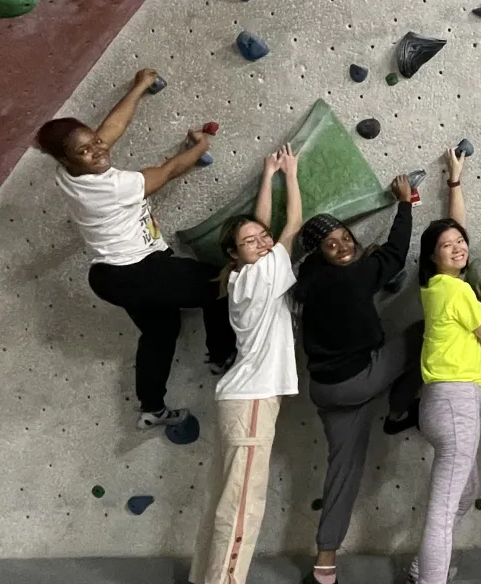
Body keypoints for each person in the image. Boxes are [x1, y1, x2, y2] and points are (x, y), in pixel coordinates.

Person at [36, 67, 235, 430]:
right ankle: (221, 356)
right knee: (219, 283)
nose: (97, 150)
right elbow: (170, 170)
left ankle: (152, 408)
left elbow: (108, 132)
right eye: (85, 150)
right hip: (136, 269)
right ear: (67, 160)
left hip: (109, 276)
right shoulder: (113, 187)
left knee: (161, 332)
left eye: (92, 142)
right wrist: (201, 146)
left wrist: (139, 87)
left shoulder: (68, 172)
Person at [294, 159, 426, 583]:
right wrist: (404, 205)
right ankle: (400, 410)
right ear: (320, 253)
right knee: (425, 332)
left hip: (326, 389)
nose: (342, 246)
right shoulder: (353, 278)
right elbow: (394, 253)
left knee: (343, 472)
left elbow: (364, 265)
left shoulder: (308, 278)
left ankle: (325, 564)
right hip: (358, 376)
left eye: (345, 237)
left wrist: (359, 260)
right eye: (331, 245)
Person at [189, 146, 304, 584]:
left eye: (261, 238)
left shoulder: (242, 277)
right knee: (242, 505)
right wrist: (288, 175)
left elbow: (262, 232)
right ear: (234, 255)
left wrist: (266, 176)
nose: (261, 241)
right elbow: (289, 226)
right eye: (249, 243)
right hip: (253, 398)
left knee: (224, 497)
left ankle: (205, 578)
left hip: (239, 397)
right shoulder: (261, 273)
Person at [407, 152, 481, 584]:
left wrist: (455, 184)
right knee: (443, 512)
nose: (460, 247)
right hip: (456, 404)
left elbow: (455, 232)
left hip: (441, 405)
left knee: (466, 494)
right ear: (433, 257)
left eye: (459, 242)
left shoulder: (434, 286)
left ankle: (420, 567)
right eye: (448, 247)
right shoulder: (460, 293)